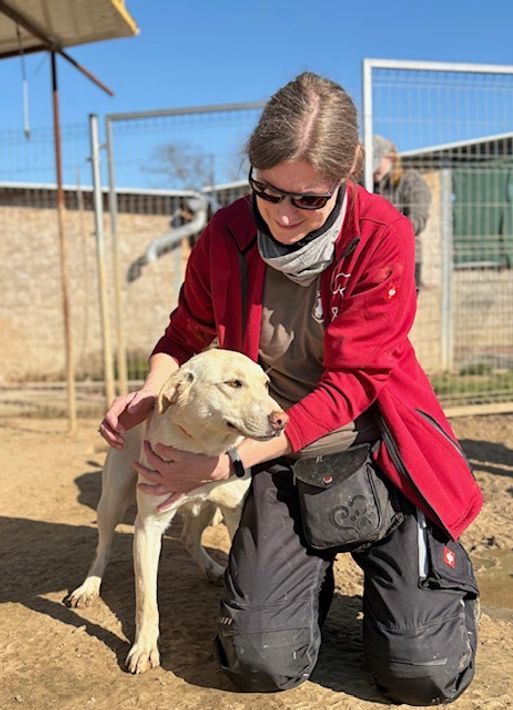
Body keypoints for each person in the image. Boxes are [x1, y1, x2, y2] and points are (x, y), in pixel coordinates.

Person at [99, 72, 482, 705]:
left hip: (372, 445)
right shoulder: (225, 233)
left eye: (308, 199)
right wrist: (150, 392)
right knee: (258, 662)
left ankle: (421, 584)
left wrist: (228, 463)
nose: (281, 214)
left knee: (423, 671)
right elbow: (185, 331)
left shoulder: (381, 234)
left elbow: (355, 381)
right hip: (274, 454)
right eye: (267, 190)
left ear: (348, 172)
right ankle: (302, 577)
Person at [373, 134, 431, 289]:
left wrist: (384, 236)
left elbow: (418, 220)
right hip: (372, 259)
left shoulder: (411, 181)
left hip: (405, 257)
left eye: (376, 159)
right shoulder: (366, 183)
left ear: (390, 158)